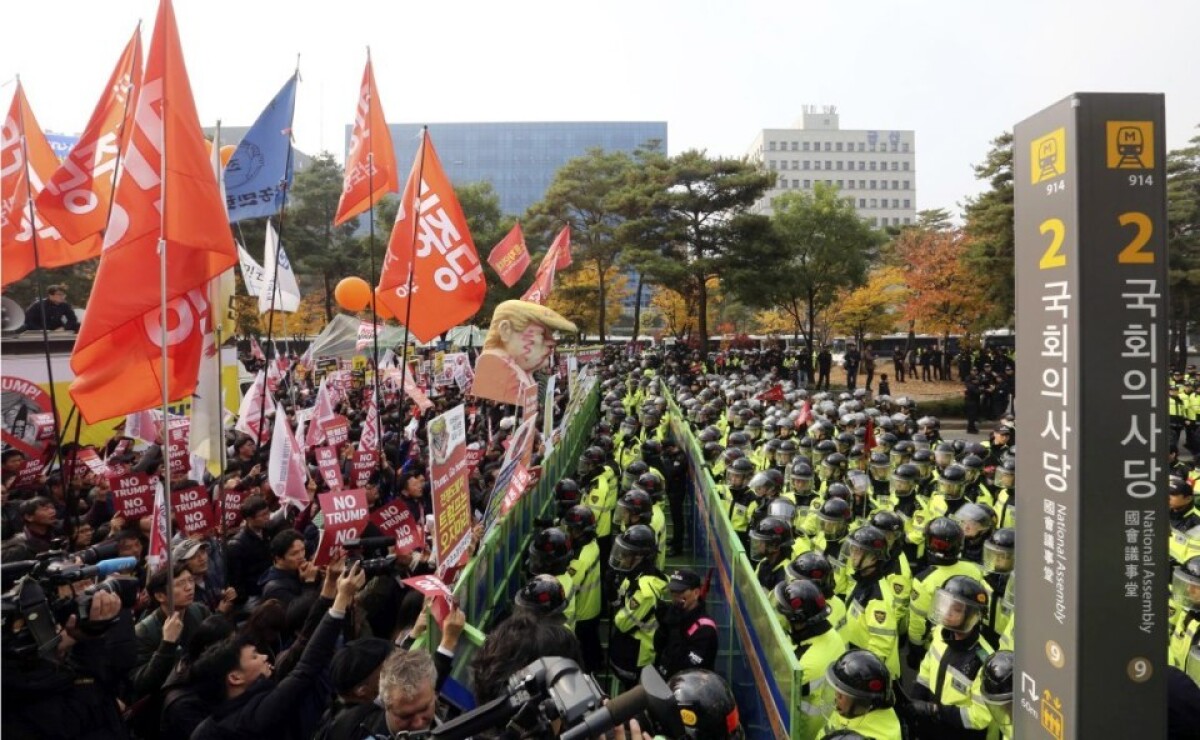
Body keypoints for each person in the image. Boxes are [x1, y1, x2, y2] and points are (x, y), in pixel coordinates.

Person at [189, 562, 367, 739]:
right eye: (254, 656)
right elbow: (306, 668)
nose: (265, 656)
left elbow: (305, 640)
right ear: (235, 677)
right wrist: (342, 599)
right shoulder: (253, 718)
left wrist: (329, 586)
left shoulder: (213, 724)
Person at [902, 575, 995, 739]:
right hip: (931, 725)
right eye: (946, 604)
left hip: (960, 733)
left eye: (957, 609)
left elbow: (980, 716)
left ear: (974, 615)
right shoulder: (940, 633)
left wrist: (936, 710)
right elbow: (927, 667)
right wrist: (915, 699)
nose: (948, 612)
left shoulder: (985, 661)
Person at [772, 578, 845, 739]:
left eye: (784, 613)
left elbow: (776, 689)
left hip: (801, 732)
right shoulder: (832, 636)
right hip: (825, 725)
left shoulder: (804, 665)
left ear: (797, 620)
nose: (781, 617)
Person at [608, 524, 668, 688]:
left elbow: (622, 622)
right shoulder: (637, 576)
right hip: (632, 648)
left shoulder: (644, 592)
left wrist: (618, 604)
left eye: (628, 554)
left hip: (639, 654)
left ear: (641, 557)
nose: (623, 557)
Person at [822, 649, 904, 739]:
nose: (836, 696)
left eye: (842, 695)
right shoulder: (846, 709)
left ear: (862, 703)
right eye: (837, 691)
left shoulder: (885, 736)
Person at [655, 568, 718, 677]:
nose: (675, 597)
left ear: (696, 593)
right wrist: (663, 626)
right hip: (662, 677)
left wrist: (676, 629)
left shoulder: (705, 628)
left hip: (688, 687)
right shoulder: (674, 613)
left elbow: (688, 668)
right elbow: (659, 649)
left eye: (680, 592)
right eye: (673, 592)